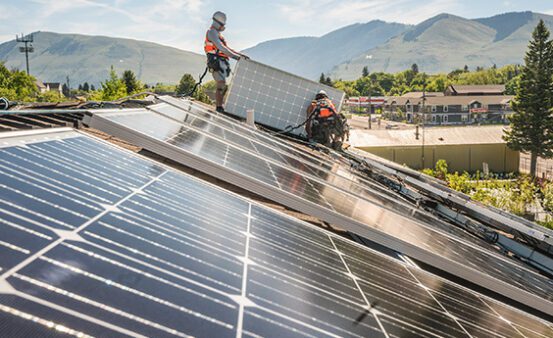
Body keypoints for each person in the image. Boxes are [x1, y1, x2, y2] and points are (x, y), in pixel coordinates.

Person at [204, 11, 249, 113]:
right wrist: (236, 57)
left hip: (220, 62)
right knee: (221, 83)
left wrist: (240, 55)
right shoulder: (211, 33)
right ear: (219, 23)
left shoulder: (218, 34)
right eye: (223, 24)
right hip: (215, 62)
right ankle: (219, 107)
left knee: (223, 84)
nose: (223, 27)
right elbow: (221, 48)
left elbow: (226, 48)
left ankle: (221, 106)